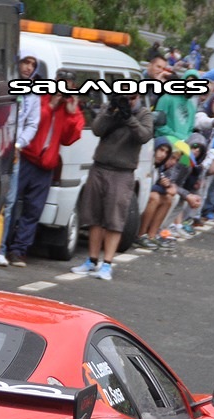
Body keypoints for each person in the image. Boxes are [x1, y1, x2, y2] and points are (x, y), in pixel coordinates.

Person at [70, 93, 153, 281]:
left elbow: (144, 136)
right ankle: (91, 260)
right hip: (99, 167)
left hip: (122, 172)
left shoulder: (143, 114)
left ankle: (107, 264)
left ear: (138, 96)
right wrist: (112, 111)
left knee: (115, 218)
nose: (128, 101)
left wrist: (128, 117)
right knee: (94, 216)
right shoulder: (110, 108)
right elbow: (97, 130)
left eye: (131, 98)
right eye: (124, 97)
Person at [4, 92, 82, 267]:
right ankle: (1, 246)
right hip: (26, 158)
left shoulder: (69, 107)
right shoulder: (41, 99)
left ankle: (18, 250)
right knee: (10, 203)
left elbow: (70, 137)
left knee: (33, 210)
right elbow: (32, 123)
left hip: (46, 166)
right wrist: (50, 107)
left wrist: (71, 113)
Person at [0, 51, 40, 267]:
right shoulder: (4, 84)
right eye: (25, 62)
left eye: (32, 64)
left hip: (14, 153)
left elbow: (32, 124)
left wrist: (19, 143)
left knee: (9, 202)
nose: (28, 67)